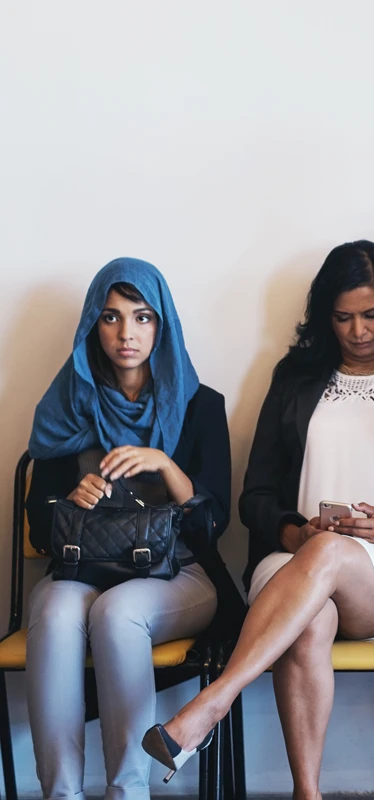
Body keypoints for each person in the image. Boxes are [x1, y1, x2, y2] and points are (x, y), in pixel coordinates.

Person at [142, 241, 374, 798]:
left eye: (372, 315)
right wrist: (296, 532)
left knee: (332, 556)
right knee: (310, 613)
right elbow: (255, 494)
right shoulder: (293, 379)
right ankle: (306, 793)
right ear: (324, 318)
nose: (359, 331)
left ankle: (210, 704)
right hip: (293, 562)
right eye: (343, 318)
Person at [25, 258, 240, 800]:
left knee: (118, 613)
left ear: (161, 324)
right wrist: (68, 500)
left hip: (179, 574)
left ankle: (128, 792)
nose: (127, 334)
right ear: (91, 327)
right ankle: (62, 794)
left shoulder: (199, 405)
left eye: (143, 318)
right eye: (112, 318)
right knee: (50, 613)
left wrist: (164, 465)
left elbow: (214, 525)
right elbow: (39, 519)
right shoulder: (66, 403)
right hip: (85, 565)